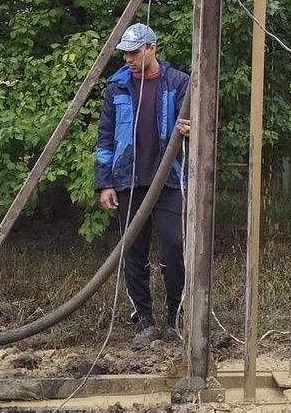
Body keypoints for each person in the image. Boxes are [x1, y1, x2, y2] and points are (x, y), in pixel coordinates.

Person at [95, 22, 191, 349]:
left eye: (135, 52)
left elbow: (197, 128)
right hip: (128, 180)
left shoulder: (178, 83)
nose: (129, 59)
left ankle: (176, 318)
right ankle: (144, 322)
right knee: (133, 253)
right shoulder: (117, 87)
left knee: (174, 246)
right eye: (125, 53)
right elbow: (105, 139)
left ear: (152, 48)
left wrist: (191, 128)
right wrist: (104, 182)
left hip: (168, 180)